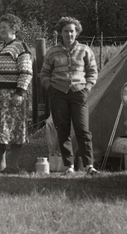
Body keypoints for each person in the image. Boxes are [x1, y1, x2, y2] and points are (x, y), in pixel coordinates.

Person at [39, 16, 98, 174]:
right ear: (60, 33)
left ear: (77, 32)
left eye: (72, 31)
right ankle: (69, 166)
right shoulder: (53, 52)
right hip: (59, 94)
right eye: (66, 31)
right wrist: (50, 88)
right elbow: (44, 73)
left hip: (79, 94)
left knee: (83, 129)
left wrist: (87, 89)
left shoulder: (85, 50)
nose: (69, 35)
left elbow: (93, 72)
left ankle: (89, 166)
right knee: (62, 129)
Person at [0, 14, 33, 173]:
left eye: (5, 27)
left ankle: (14, 165)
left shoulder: (20, 47)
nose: (1, 30)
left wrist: (19, 92)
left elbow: (26, 73)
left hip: (13, 96)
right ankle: (1, 165)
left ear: (14, 28)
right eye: (0, 27)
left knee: (15, 129)